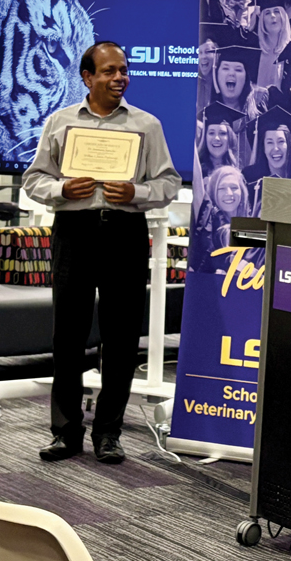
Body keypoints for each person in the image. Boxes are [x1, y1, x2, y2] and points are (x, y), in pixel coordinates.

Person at [22, 41, 181, 464]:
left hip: (125, 233)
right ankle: (65, 432)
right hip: (74, 231)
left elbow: (168, 182)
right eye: (109, 71)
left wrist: (136, 192)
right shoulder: (61, 122)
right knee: (68, 336)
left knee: (122, 337)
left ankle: (109, 433)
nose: (119, 78)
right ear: (88, 77)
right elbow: (34, 179)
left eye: (123, 70)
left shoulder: (146, 125)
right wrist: (62, 188)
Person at [191, 165, 249, 274]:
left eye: (234, 187)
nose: (229, 193)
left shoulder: (253, 221)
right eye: (221, 188)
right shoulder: (208, 226)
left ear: (242, 191)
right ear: (214, 192)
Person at [245, 106, 291, 214]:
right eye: (269, 142)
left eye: (281, 141)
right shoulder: (250, 180)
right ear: (263, 148)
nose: (276, 148)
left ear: (289, 145)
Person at [252, 0, 291, 90]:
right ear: (262, 20)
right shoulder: (254, 51)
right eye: (267, 13)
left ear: (283, 16)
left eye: (276, 11)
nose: (273, 16)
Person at [197, 102, 242, 182]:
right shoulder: (196, 172)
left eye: (222, 133)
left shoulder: (238, 176)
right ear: (204, 137)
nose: (217, 138)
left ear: (230, 138)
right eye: (211, 133)